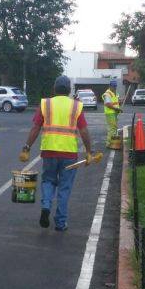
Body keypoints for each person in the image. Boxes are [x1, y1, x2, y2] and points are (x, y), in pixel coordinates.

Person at [19, 74, 93, 232]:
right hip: (69, 154)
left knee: (48, 181)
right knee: (64, 188)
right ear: (69, 90)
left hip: (49, 152)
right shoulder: (76, 106)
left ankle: (46, 206)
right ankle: (60, 223)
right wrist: (88, 151)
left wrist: (27, 147)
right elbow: (84, 131)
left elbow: (35, 128)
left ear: (54, 88)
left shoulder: (45, 104)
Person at [102, 79, 121, 146]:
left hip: (114, 113)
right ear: (110, 86)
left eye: (115, 86)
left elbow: (115, 102)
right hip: (110, 113)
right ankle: (109, 143)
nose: (114, 87)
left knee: (114, 128)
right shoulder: (107, 94)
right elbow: (108, 104)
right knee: (112, 128)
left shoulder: (114, 93)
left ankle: (113, 143)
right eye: (113, 86)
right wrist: (117, 109)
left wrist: (120, 102)